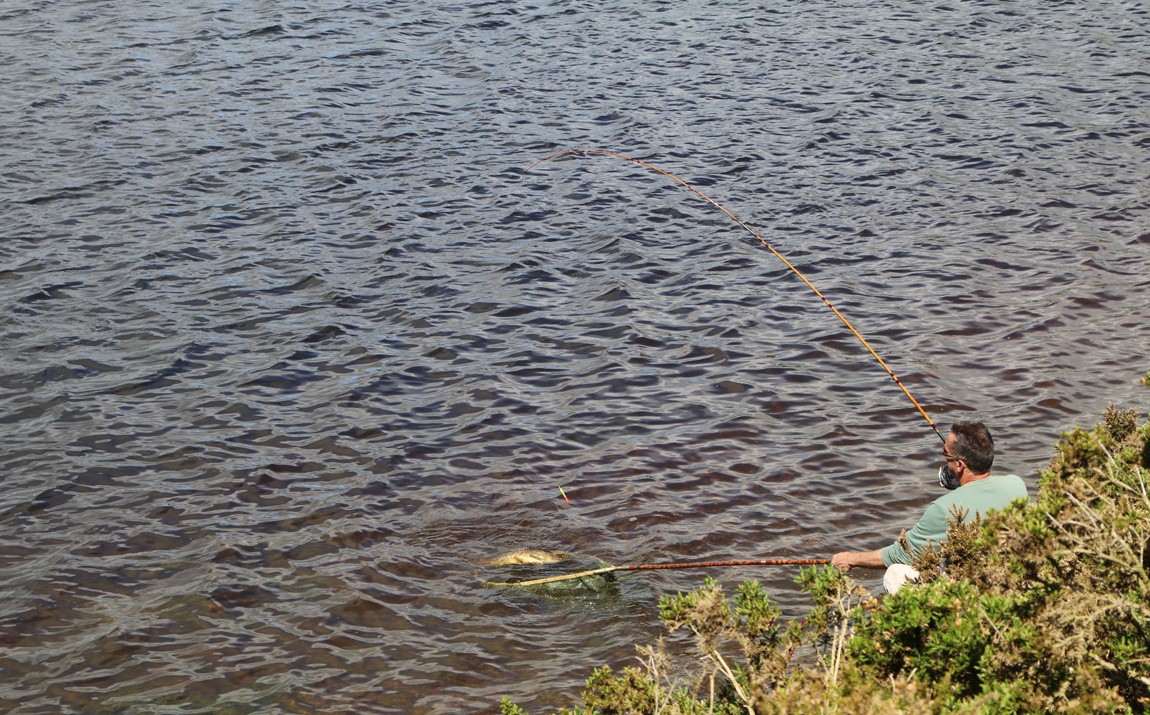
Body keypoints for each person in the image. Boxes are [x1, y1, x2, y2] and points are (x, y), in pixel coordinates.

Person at [830, 421, 1028, 595]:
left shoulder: (943, 508)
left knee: (896, 573)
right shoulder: (1016, 484)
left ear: (960, 465)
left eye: (945, 454)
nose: (944, 460)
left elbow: (899, 554)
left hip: (973, 591)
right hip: (1008, 579)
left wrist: (850, 559)